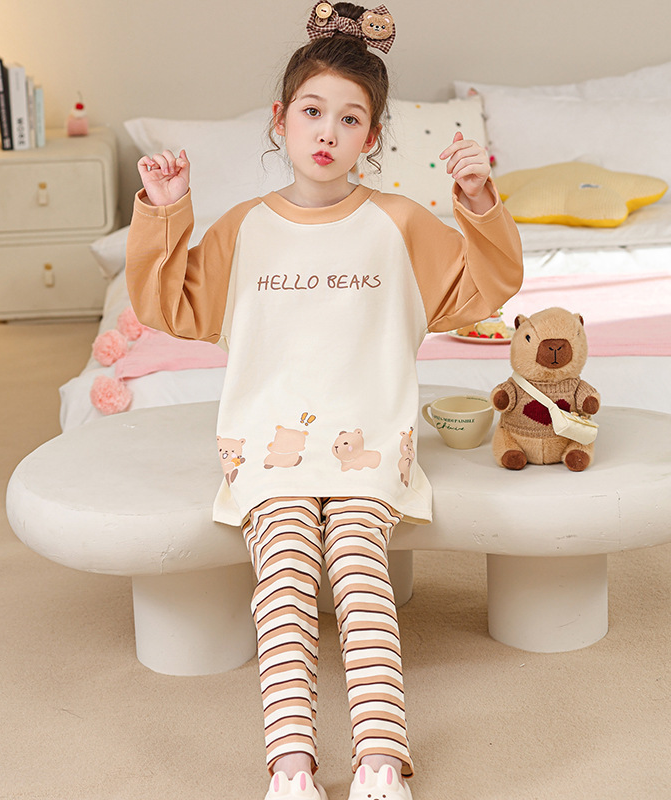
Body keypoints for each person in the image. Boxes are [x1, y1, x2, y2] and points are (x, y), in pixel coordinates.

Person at [126, 3, 523, 798]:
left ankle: (379, 760)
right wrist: (167, 209)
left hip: (367, 443)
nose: (327, 131)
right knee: (282, 580)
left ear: (371, 137)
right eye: (312, 111)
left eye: (350, 118)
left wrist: (479, 200)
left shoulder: (400, 224)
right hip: (264, 445)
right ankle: (291, 767)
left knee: (358, 569)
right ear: (280, 119)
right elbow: (171, 304)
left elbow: (487, 284)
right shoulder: (242, 229)